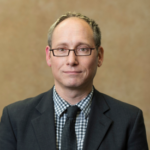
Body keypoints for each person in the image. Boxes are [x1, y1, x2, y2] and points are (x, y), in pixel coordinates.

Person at [0, 12, 149, 150]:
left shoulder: (129, 120)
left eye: (83, 49)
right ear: (48, 56)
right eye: (62, 49)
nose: (71, 60)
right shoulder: (14, 119)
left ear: (100, 56)